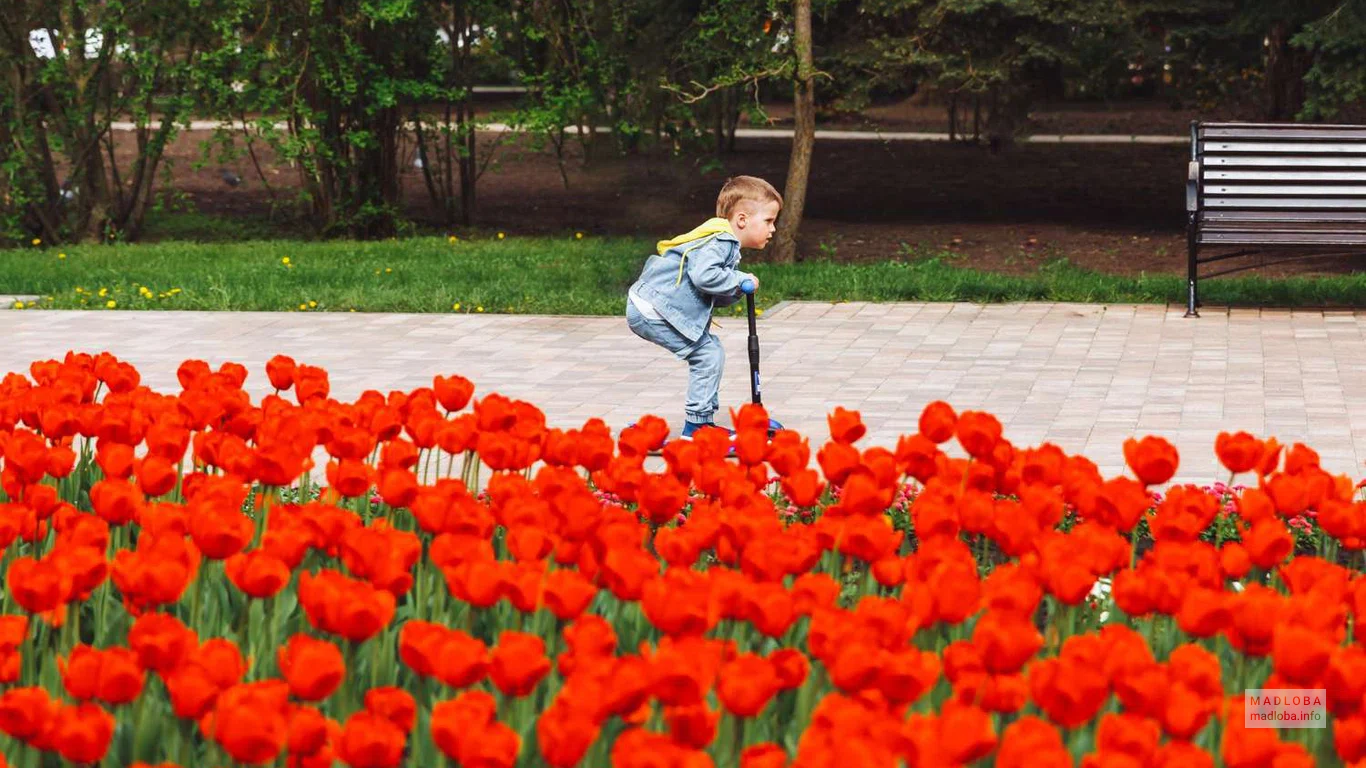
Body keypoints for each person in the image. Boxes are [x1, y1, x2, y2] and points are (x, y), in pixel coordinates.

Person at [626, 175, 782, 438]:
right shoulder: (720, 241)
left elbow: (710, 290)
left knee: (711, 352)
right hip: (653, 308)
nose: (773, 229)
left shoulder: (723, 242)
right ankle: (697, 426)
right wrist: (740, 279)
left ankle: (702, 421)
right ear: (742, 219)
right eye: (768, 221)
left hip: (652, 306)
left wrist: (735, 289)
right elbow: (704, 276)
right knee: (707, 355)